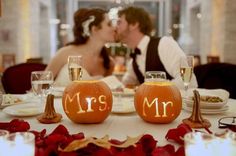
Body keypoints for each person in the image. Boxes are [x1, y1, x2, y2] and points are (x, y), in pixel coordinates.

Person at [115, 6, 198, 89]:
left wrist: (153, 89)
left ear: (134, 24)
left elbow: (189, 82)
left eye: (119, 22)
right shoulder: (135, 59)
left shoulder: (164, 44)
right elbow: (124, 86)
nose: (116, 27)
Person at [45, 8, 115, 86]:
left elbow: (106, 92)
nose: (114, 28)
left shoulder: (109, 63)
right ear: (94, 29)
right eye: (109, 24)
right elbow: (40, 86)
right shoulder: (64, 54)